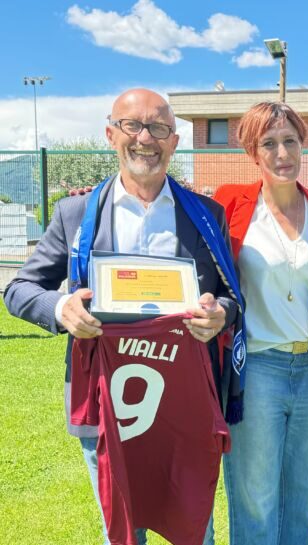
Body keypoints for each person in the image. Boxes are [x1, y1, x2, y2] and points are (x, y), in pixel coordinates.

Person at [3, 88, 238, 544]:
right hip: (105, 403)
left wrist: (220, 315)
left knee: (196, 532)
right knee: (123, 535)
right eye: (133, 125)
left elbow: (231, 294)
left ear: (173, 141)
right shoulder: (75, 214)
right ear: (111, 134)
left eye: (158, 128)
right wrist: (61, 307)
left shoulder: (208, 215)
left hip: (184, 406)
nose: (145, 138)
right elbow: (19, 288)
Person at [212, 101, 308, 545]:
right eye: (269, 143)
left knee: (304, 496)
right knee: (256, 496)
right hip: (257, 368)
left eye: (290, 141)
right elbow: (184, 225)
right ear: (253, 152)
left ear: (303, 145)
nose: (282, 153)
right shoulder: (230, 201)